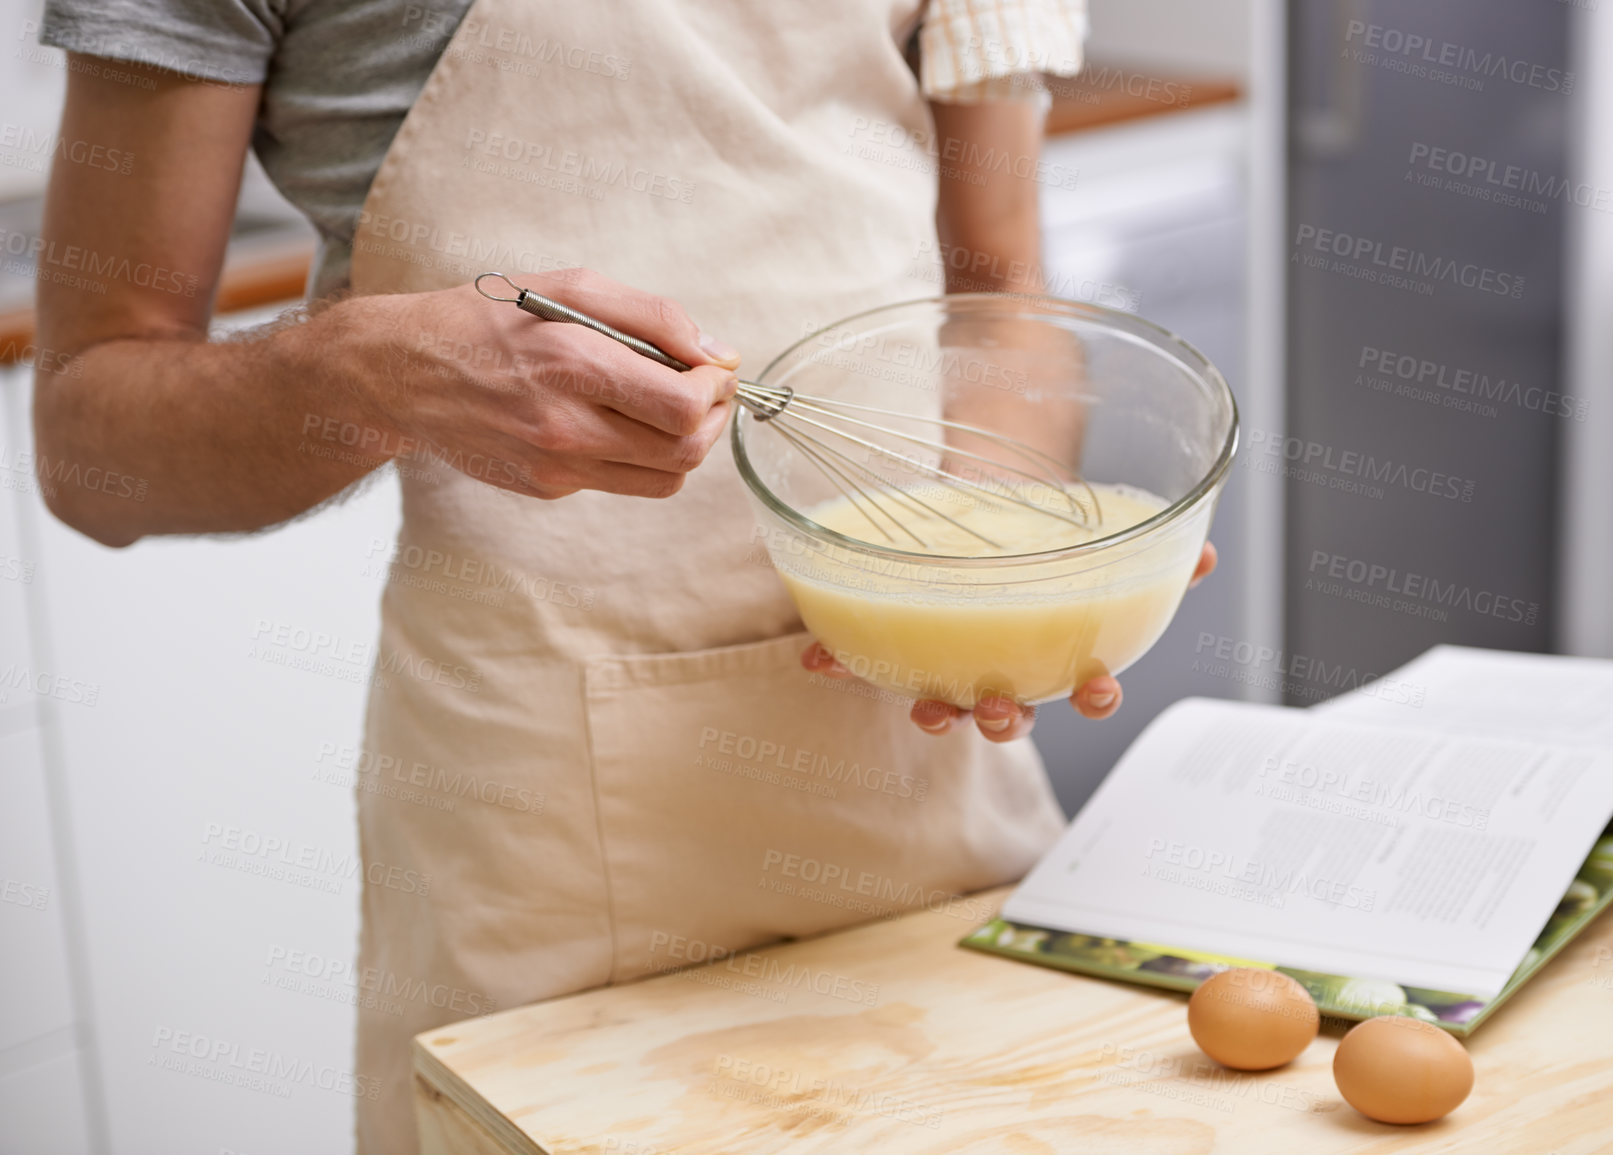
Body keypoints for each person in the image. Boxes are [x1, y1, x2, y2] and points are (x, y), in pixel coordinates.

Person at [32, 1, 1213, 1149]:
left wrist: (984, 567)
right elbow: (92, 448)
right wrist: (358, 372)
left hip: (920, 757)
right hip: (547, 834)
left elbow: (1000, 290)